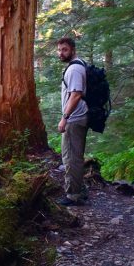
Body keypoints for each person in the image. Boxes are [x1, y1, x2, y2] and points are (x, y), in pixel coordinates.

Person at [57, 37, 89, 206]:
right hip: (76, 118)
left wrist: (65, 118)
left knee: (71, 158)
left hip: (74, 119)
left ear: (73, 50)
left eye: (65, 50)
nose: (61, 53)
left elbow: (75, 94)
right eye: (59, 50)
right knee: (73, 156)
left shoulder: (75, 69)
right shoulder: (76, 66)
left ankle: (73, 195)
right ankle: (79, 191)